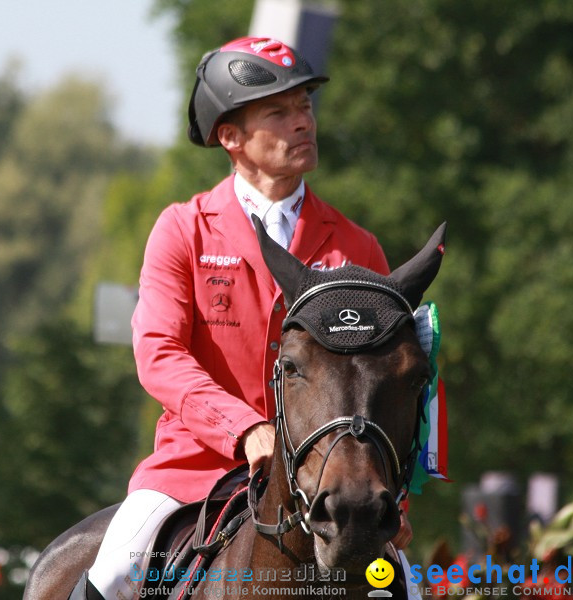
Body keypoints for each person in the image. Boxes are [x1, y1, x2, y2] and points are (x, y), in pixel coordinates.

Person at [71, 36, 411, 600]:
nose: (302, 121)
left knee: (410, 589)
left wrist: (398, 494)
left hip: (330, 479)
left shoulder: (356, 247)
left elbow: (390, 380)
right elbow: (160, 354)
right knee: (110, 575)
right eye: (279, 112)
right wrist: (245, 428)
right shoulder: (183, 230)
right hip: (194, 466)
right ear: (230, 137)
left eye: (304, 106)